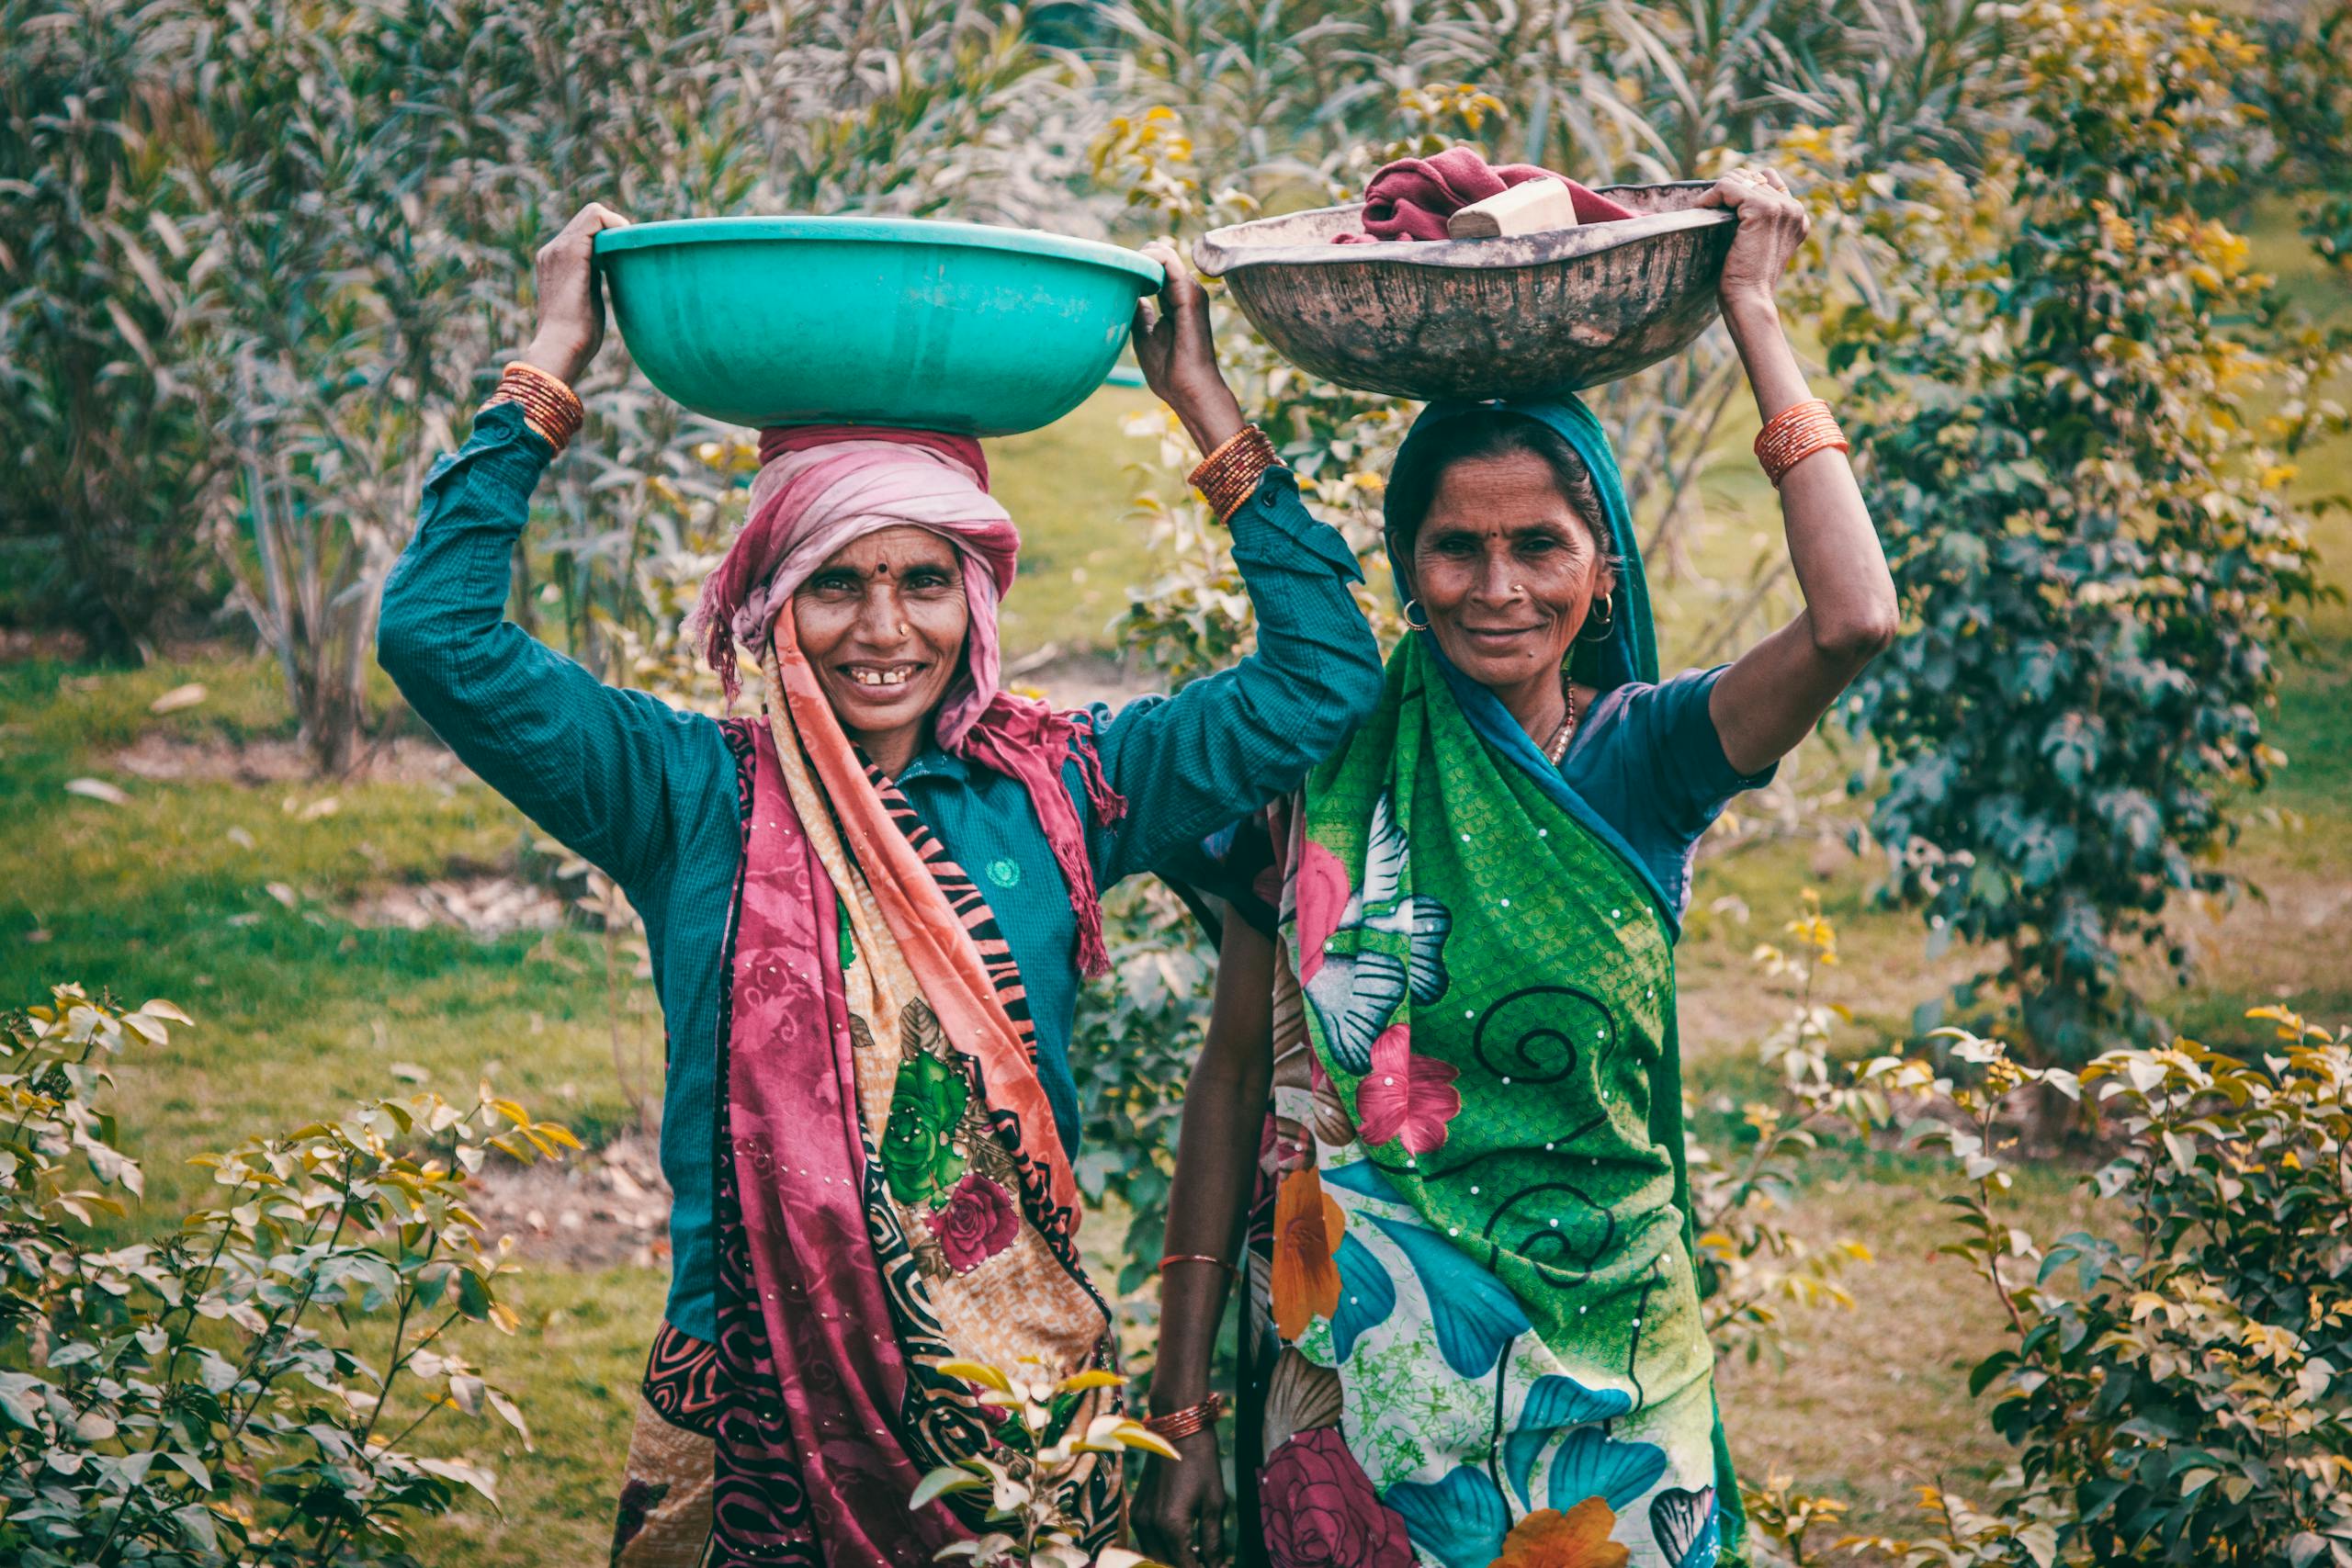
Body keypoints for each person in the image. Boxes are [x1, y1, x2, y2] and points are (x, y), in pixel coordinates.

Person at [377, 203, 1385, 1567]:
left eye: (924, 580)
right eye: (835, 582)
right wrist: (551, 363)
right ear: (769, 600)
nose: (883, 629)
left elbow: (1324, 674)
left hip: (1015, 1415)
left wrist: (1202, 403)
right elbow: (437, 636)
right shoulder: (684, 795)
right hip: (751, 1414)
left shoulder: (1065, 787)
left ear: (975, 599)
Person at [1136, 165, 1898, 1568]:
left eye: (1540, 547)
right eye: (1455, 550)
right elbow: (1236, 1070)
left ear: (1602, 569)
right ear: (1407, 567)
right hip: (1360, 1386)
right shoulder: (1331, 752)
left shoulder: (1648, 757)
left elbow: (1853, 619)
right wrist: (1180, 1400)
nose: (1499, 590)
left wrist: (1754, 313)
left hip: (1613, 1370)